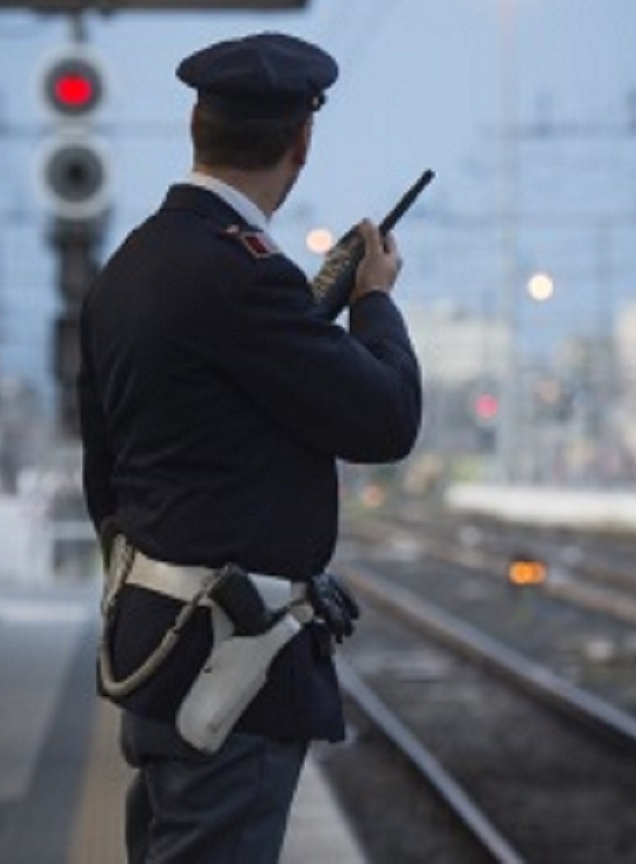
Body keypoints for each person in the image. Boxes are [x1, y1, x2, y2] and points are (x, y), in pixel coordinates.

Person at [77, 32, 422, 863]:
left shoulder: (129, 265)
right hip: (230, 664)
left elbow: (103, 475)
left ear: (196, 121)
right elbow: (385, 419)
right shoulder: (245, 277)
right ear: (302, 144)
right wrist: (371, 302)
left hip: (155, 648)